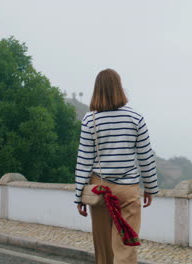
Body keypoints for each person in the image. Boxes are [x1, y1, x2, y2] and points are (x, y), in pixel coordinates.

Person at [73, 68, 159, 264]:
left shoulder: (90, 119)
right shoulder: (136, 118)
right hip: (128, 190)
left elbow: (84, 160)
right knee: (126, 246)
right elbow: (145, 157)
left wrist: (79, 195)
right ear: (119, 88)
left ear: (97, 90)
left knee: (103, 248)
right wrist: (150, 188)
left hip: (99, 190)